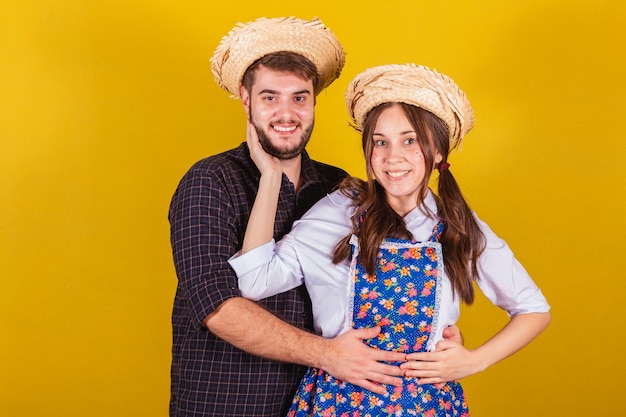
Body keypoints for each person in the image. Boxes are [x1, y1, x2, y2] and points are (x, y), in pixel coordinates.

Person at [229, 63, 552, 415]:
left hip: (425, 406)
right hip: (338, 403)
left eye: (410, 140)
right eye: (380, 142)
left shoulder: (459, 227)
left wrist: (474, 361)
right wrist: (271, 178)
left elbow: (533, 309)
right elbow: (254, 280)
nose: (392, 157)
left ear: (438, 152)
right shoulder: (337, 212)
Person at [169, 17, 436, 417]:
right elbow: (218, 309)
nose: (286, 113)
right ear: (246, 99)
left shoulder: (340, 187)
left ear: (313, 101)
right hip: (228, 403)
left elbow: (387, 281)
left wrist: (437, 330)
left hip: (324, 402)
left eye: (299, 97)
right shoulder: (210, 182)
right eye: (270, 97)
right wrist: (328, 354)